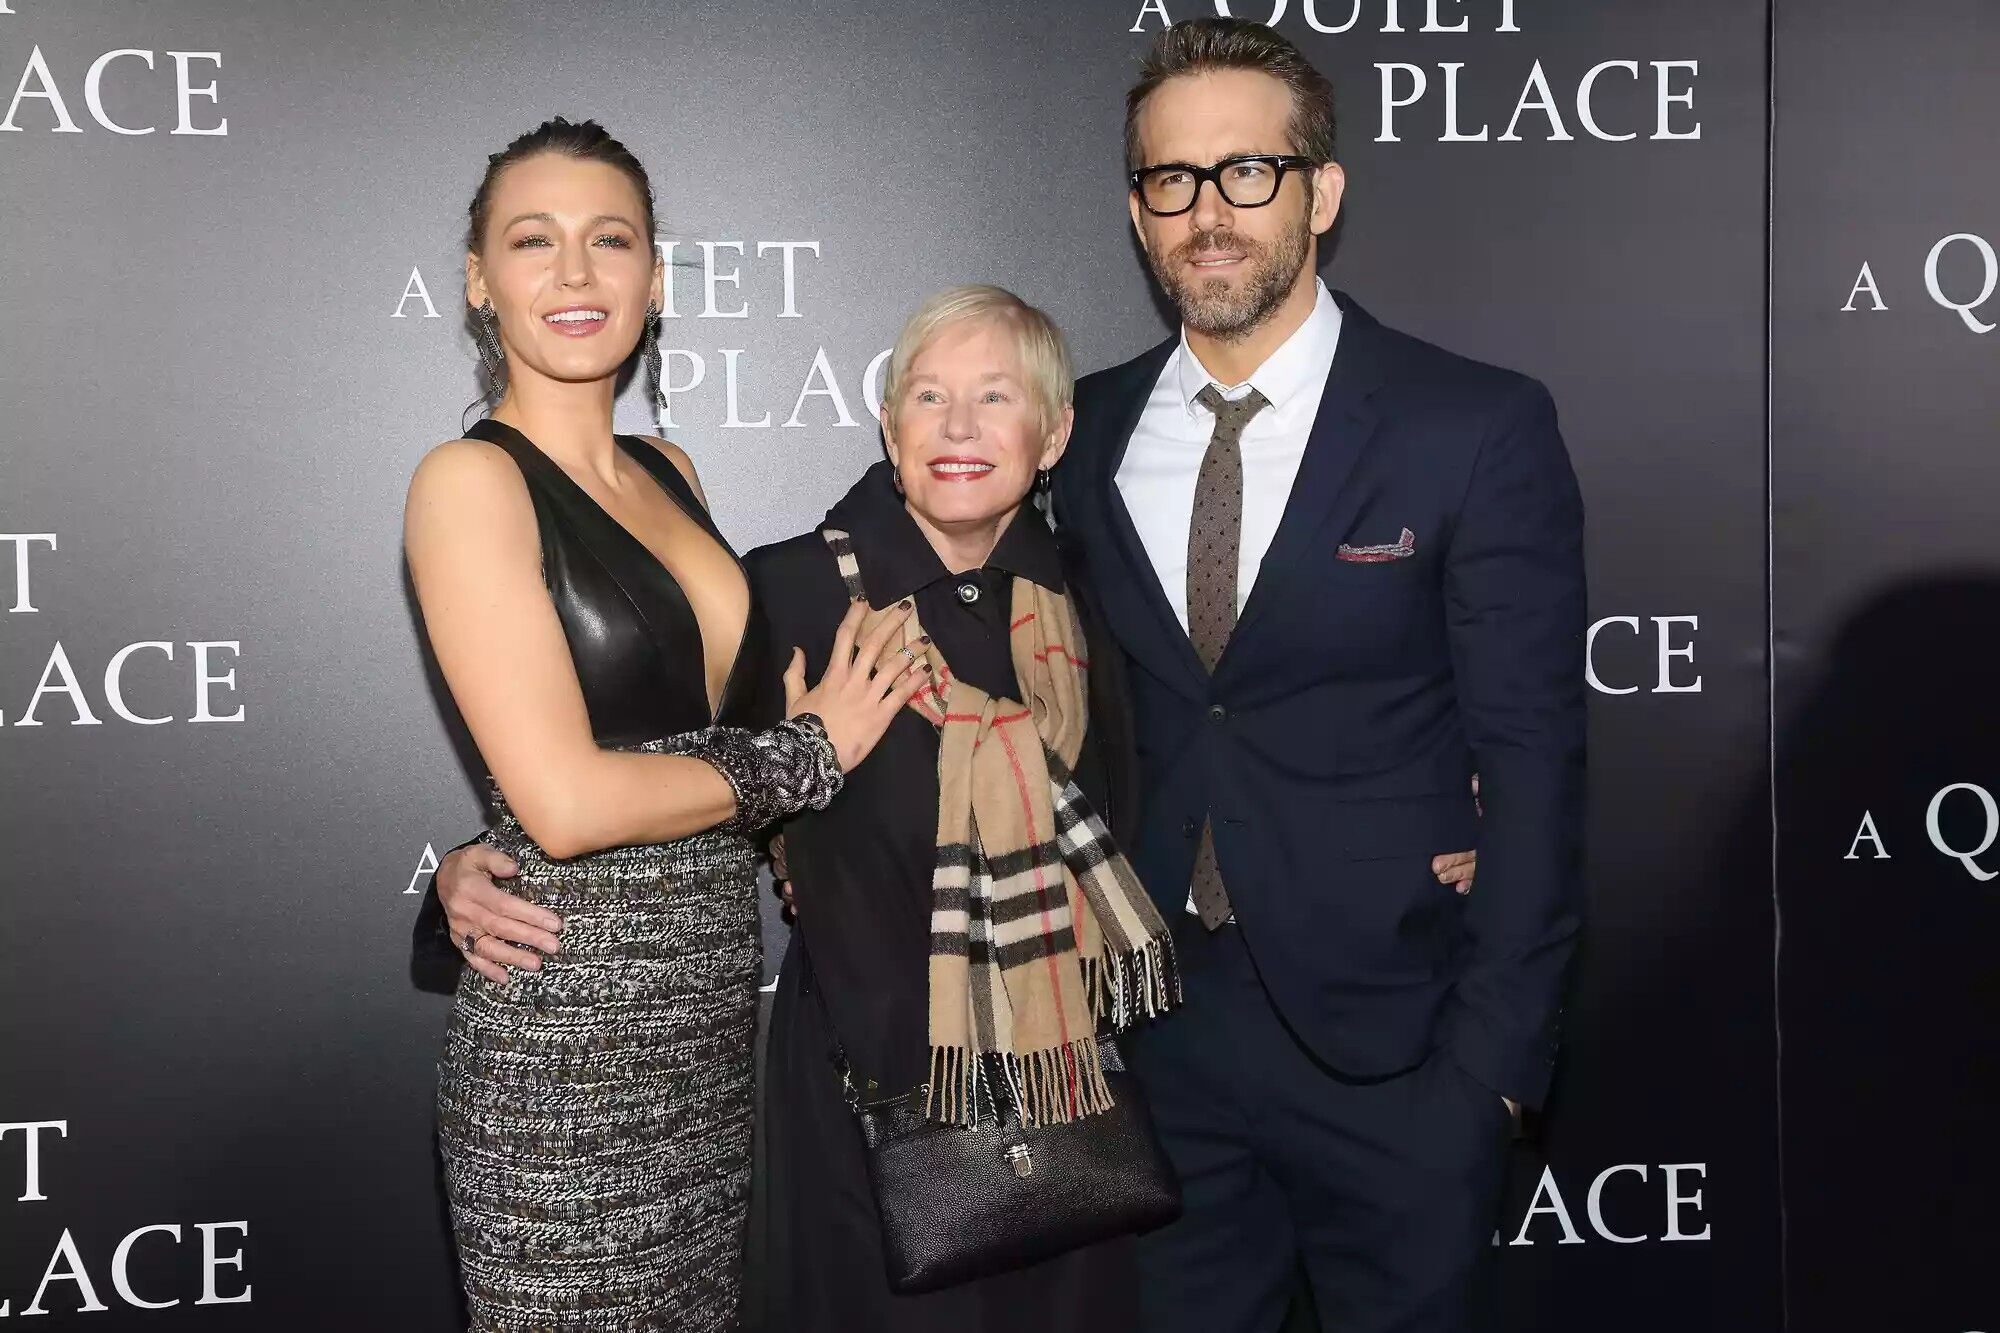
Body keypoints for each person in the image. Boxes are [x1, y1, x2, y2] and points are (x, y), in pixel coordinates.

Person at [1051, 19, 1587, 1333]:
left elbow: (1534, 760)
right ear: (1137, 211)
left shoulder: (1471, 424)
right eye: (1171, 180)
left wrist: (1491, 1075)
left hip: (1401, 1047)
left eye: (1248, 172)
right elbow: (927, 592)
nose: (1209, 212)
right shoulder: (1083, 432)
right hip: (1160, 1042)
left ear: (1320, 192)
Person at [405, 116, 921, 1332]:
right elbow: (572, 803)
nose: (576, 274)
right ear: (481, 281)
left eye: (610, 240)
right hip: (564, 1054)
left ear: (652, 274)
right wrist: (812, 750)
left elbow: (675, 746)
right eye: (533, 241)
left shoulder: (673, 470)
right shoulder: (466, 482)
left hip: (702, 1041)